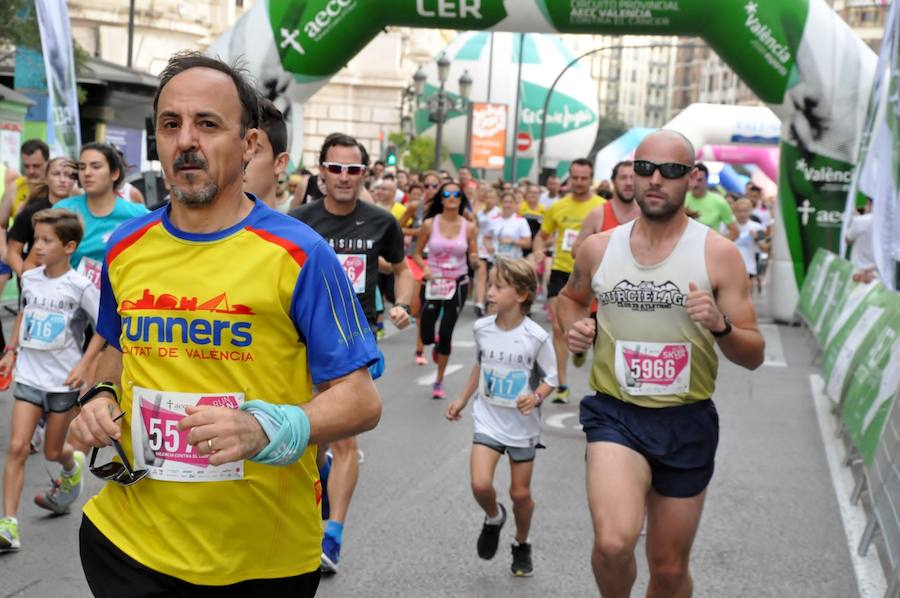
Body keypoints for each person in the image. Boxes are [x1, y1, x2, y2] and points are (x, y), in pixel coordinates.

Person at [67, 51, 381, 596]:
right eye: (171, 125)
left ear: (250, 144)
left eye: (207, 124)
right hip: (129, 542)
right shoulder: (126, 246)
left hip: (261, 560)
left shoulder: (302, 254)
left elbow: (361, 400)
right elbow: (118, 351)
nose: (187, 140)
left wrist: (266, 427)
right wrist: (97, 399)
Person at [558, 130, 764, 597]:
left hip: (685, 419)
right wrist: (576, 328)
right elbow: (569, 299)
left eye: (670, 171)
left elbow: (753, 353)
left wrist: (721, 326)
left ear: (691, 179)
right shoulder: (599, 248)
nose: (655, 180)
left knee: (668, 568)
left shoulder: (718, 254)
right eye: (645, 168)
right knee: (613, 543)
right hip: (616, 413)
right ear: (630, 173)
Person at [290, 132, 411, 575]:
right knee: (312, 440)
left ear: (366, 173)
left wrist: (400, 303)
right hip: (303, 343)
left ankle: (332, 535)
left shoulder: (382, 222)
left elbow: (403, 269)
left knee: (343, 439)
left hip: (351, 345)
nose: (344, 177)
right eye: (335, 168)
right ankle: (316, 493)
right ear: (321, 171)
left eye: (353, 169)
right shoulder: (298, 221)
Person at [445, 257, 557, 577]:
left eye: (498, 286)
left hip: (522, 425)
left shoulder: (536, 336)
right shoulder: (482, 328)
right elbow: (480, 367)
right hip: (488, 418)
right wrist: (462, 399)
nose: (490, 292)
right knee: (481, 484)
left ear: (521, 295)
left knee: (520, 493)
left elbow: (551, 377)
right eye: (490, 284)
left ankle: (522, 543)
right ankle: (494, 517)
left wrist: (535, 397)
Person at [0, 209, 101, 550]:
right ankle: (9, 525)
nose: (37, 247)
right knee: (16, 448)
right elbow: (26, 313)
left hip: (63, 382)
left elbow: (104, 328)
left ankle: (70, 467)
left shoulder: (80, 286)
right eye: (36, 239)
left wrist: (86, 365)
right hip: (29, 376)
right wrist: (12, 350)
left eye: (46, 240)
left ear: (69, 245)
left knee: (54, 450)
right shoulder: (29, 278)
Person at [529, 159, 605, 403]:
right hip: (562, 272)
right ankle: (561, 383)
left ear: (591, 179)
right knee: (560, 330)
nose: (580, 183)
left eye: (584, 178)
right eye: (575, 178)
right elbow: (541, 236)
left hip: (593, 275)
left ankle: (582, 351)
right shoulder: (558, 207)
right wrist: (538, 251)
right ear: (569, 178)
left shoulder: (601, 207)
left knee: (594, 332)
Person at [413, 180, 478, 398]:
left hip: (457, 283)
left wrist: (477, 261)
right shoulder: (430, 224)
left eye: (456, 194)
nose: (452, 197)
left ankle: (439, 381)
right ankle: (434, 345)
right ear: (441, 199)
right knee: (428, 335)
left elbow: (473, 255)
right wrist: (425, 268)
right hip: (433, 283)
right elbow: (416, 253)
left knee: (447, 333)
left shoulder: (469, 227)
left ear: (461, 199)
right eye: (447, 194)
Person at [54, 143, 148, 289]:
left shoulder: (138, 215)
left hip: (120, 303)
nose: (87, 173)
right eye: (82, 167)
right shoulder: (63, 210)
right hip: (69, 301)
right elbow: (35, 260)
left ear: (114, 174)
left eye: (96, 166)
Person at [7, 157, 78, 277]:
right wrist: (28, 280)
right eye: (56, 174)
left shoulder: (80, 210)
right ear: (46, 177)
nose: (62, 180)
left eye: (69, 175)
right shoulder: (31, 211)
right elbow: (13, 252)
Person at [572, 160, 639, 258]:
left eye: (633, 178)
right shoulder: (598, 214)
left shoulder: (647, 214)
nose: (628, 183)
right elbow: (575, 252)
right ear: (613, 181)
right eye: (623, 178)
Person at [243, 98, 290, 212]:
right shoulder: (203, 228)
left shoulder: (294, 230)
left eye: (254, 150)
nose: (241, 158)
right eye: (234, 149)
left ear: (280, 163)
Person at [684, 163, 738, 240]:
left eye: (700, 180)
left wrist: (720, 247)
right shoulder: (681, 199)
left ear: (706, 180)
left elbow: (735, 231)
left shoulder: (719, 202)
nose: (696, 184)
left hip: (709, 249)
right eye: (694, 179)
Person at [474, 186, 501, 317]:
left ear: (497, 199)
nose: (489, 200)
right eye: (487, 197)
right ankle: (479, 303)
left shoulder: (499, 213)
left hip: (494, 247)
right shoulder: (479, 212)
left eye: (492, 197)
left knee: (492, 277)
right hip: (480, 246)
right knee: (481, 275)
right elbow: (477, 229)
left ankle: (489, 300)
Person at [733, 198, 769, 293]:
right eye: (739, 211)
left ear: (750, 212)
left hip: (748, 268)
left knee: (746, 298)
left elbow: (765, 248)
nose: (742, 214)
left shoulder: (757, 227)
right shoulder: (727, 225)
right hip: (729, 268)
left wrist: (756, 238)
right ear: (734, 211)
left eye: (745, 211)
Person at [484, 191, 532, 260]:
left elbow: (528, 243)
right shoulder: (493, 220)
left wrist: (512, 241)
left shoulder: (521, 221)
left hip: (514, 261)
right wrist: (488, 246)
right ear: (501, 204)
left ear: (515, 204)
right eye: (505, 202)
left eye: (510, 202)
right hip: (495, 260)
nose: (507, 205)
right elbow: (486, 237)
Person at [845, 198, 875, 271]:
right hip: (882, 273)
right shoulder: (891, 221)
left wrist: (858, 217)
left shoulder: (861, 220)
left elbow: (847, 239)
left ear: (870, 204)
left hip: (860, 271)